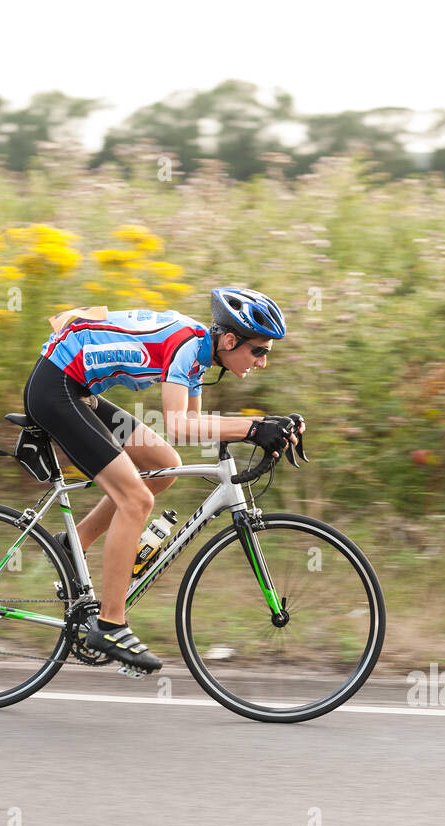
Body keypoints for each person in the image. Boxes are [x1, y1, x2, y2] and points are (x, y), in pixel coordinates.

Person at [21, 287, 305, 673]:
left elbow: (188, 431)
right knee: (135, 501)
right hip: (55, 390)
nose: (262, 362)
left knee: (163, 464)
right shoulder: (186, 346)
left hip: (78, 390)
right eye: (259, 351)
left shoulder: (200, 357)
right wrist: (255, 428)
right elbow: (177, 422)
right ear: (229, 340)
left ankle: (74, 544)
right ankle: (110, 624)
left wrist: (267, 427)